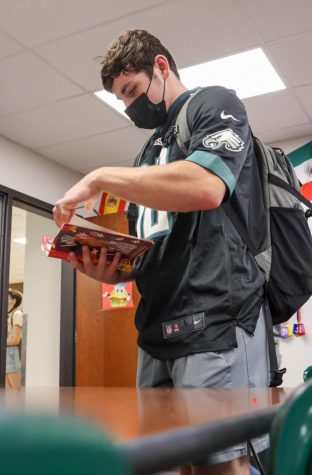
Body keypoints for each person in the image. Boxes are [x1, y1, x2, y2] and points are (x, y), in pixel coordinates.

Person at [53, 30, 270, 475]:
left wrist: (99, 178)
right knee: (167, 464)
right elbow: (151, 252)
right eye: (121, 99)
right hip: (156, 333)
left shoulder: (214, 104)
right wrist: (110, 270)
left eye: (132, 90)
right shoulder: (147, 154)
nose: (131, 106)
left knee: (218, 466)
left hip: (215, 323)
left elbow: (207, 187)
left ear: (161, 67)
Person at [6, 289, 23, 389]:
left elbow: (16, 339)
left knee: (16, 391)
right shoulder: (7, 315)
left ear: (14, 301)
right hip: (6, 353)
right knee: (8, 391)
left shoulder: (17, 314)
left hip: (11, 353)